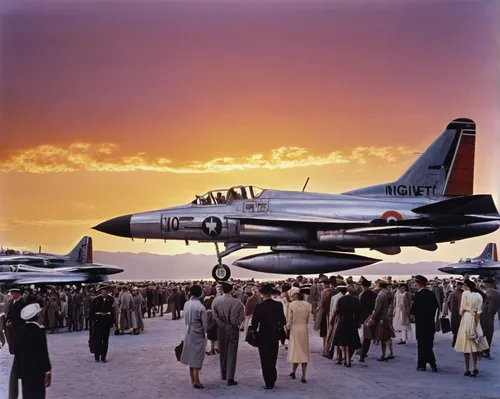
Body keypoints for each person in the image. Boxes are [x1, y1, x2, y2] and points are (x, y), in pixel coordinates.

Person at [252, 284, 287, 389]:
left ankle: (268, 381)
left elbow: (254, 323)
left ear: (262, 294)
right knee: (273, 357)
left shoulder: (259, 306)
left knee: (264, 359)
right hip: (275, 334)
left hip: (263, 335)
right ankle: (273, 377)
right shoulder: (278, 305)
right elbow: (283, 321)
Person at [14, 303, 52, 398]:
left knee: (27, 394)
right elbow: (43, 354)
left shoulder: (19, 331)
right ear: (38, 316)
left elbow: (17, 353)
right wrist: (48, 371)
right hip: (37, 372)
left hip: (24, 372)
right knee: (38, 395)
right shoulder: (39, 332)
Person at [212, 282, 245, 386]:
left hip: (221, 328)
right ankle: (230, 377)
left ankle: (223, 373)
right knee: (232, 353)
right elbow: (241, 315)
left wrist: (221, 324)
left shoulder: (216, 300)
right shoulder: (237, 302)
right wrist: (236, 323)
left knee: (222, 351)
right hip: (233, 328)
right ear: (231, 290)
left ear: (222, 290)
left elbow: (214, 314)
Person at [454, 279, 489, 376]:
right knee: (474, 345)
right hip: (474, 319)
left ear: (467, 286)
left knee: (465, 345)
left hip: (466, 319)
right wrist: (476, 324)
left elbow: (461, 310)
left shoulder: (465, 294)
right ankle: (475, 367)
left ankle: (467, 369)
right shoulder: (479, 296)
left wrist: (463, 313)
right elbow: (479, 313)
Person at [180, 285, 208, 389]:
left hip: (188, 331)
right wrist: (204, 332)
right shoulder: (201, 307)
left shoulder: (186, 304)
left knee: (191, 354)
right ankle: (197, 380)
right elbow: (204, 325)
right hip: (197, 332)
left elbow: (184, 318)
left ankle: (192, 379)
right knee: (197, 356)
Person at [410, 275, 439, 372]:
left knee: (421, 343)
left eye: (415, 283)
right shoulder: (431, 294)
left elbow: (413, 310)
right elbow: (436, 306)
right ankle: (432, 363)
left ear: (418, 284)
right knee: (429, 343)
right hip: (430, 322)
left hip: (421, 323)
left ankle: (422, 364)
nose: (415, 284)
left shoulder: (418, 295)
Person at [286, 287, 312, 382]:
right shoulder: (308, 305)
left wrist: (287, 328)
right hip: (303, 327)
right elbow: (308, 319)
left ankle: (293, 371)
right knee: (304, 351)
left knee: (295, 350)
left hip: (295, 328)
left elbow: (289, 319)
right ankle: (304, 375)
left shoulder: (292, 305)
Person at [333, 283, 361, 367]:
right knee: (350, 342)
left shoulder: (342, 299)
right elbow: (358, 313)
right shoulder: (356, 300)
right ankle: (348, 359)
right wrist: (358, 322)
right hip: (352, 322)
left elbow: (337, 311)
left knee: (342, 342)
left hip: (343, 321)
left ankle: (343, 359)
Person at [6, 287, 27, 399]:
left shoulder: (22, 304)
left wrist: (13, 324)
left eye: (12, 293)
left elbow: (22, 320)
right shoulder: (13, 303)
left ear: (17, 293)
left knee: (17, 370)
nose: (10, 294)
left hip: (19, 336)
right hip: (14, 336)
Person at [90, 284, 116, 363]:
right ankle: (97, 356)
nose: (105, 291)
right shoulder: (96, 299)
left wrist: (113, 322)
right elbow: (91, 311)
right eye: (104, 290)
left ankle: (103, 357)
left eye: (106, 290)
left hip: (106, 321)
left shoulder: (110, 299)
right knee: (98, 340)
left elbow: (112, 311)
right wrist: (94, 320)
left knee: (105, 340)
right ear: (101, 291)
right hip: (98, 321)